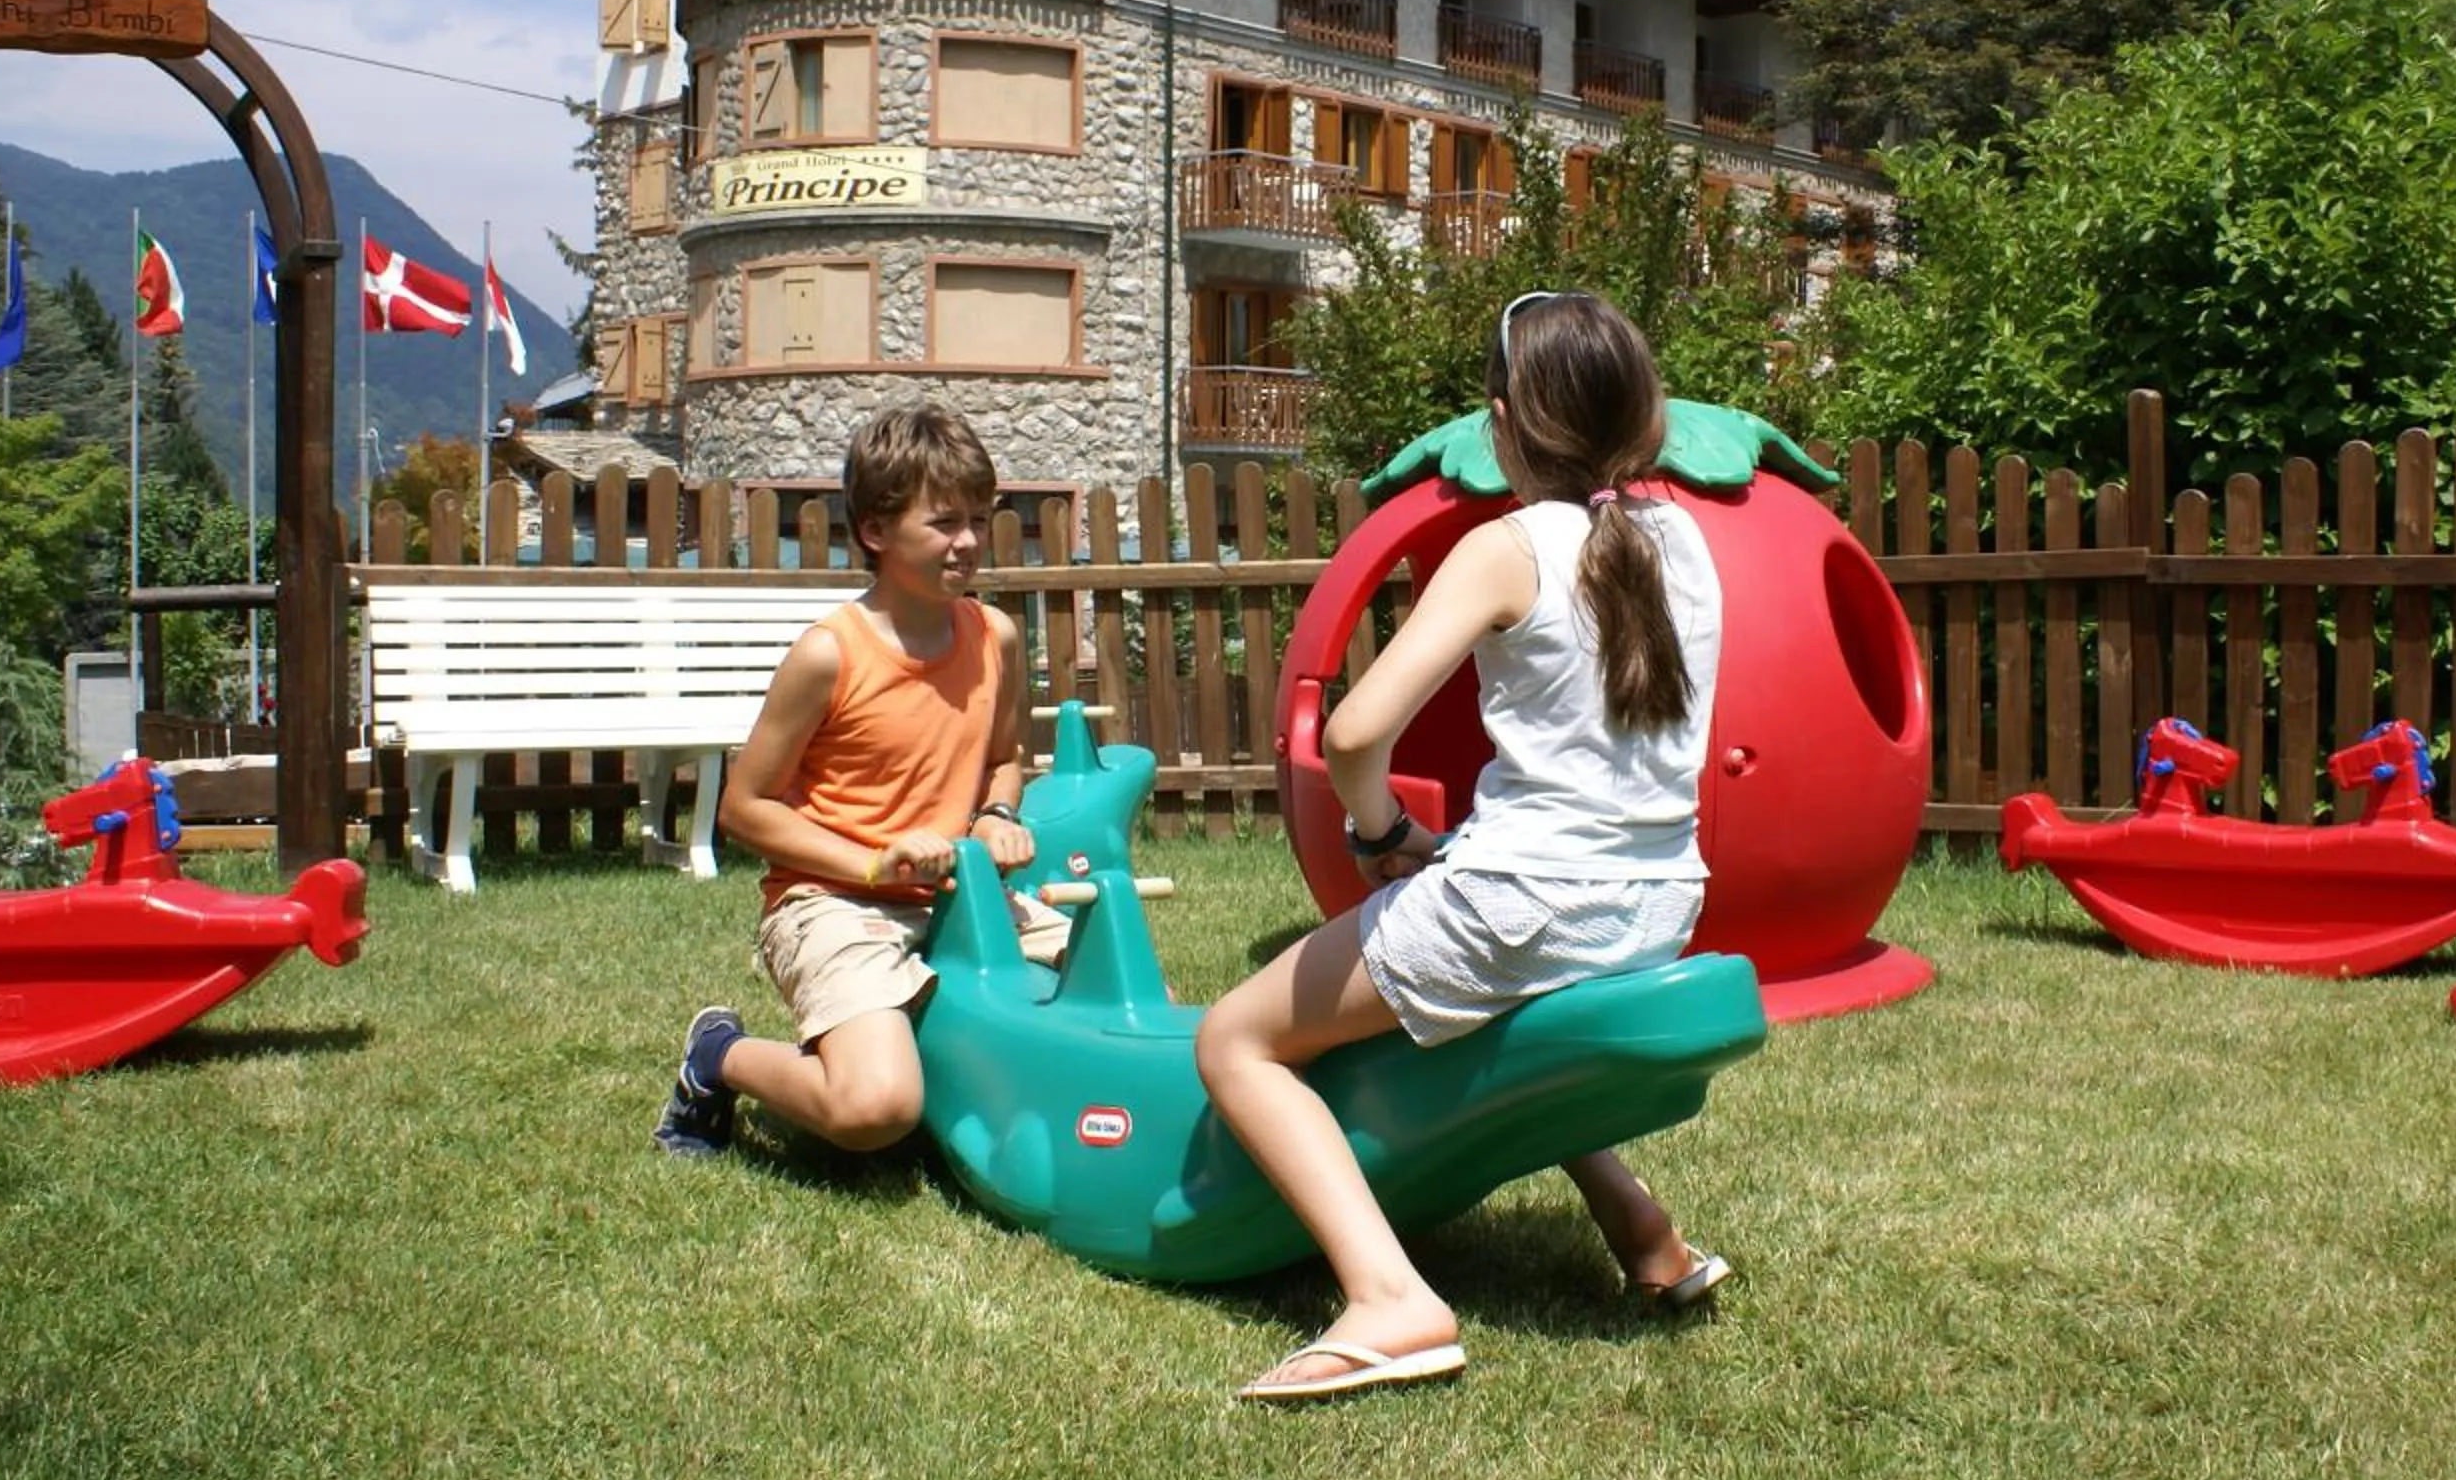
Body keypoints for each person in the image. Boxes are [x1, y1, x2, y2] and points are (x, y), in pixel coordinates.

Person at [1194, 290, 1733, 1403]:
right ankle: (1647, 1234)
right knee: (1514, 1019)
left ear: (1501, 425)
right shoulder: (1687, 543)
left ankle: (1390, 1299)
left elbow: (1352, 732)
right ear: (1642, 417)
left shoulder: (1507, 545)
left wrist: (1381, 829)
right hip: (1659, 902)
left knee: (1236, 1040)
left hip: (1528, 899)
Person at [654, 400, 1066, 1159]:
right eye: (943, 523)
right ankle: (718, 1057)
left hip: (957, 894)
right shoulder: (828, 656)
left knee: (1123, 1002)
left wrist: (998, 811)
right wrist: (873, 863)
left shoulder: (995, 636)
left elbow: (1005, 755)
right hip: (831, 901)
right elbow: (744, 809)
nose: (969, 542)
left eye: (979, 518)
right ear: (876, 531)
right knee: (876, 1109)